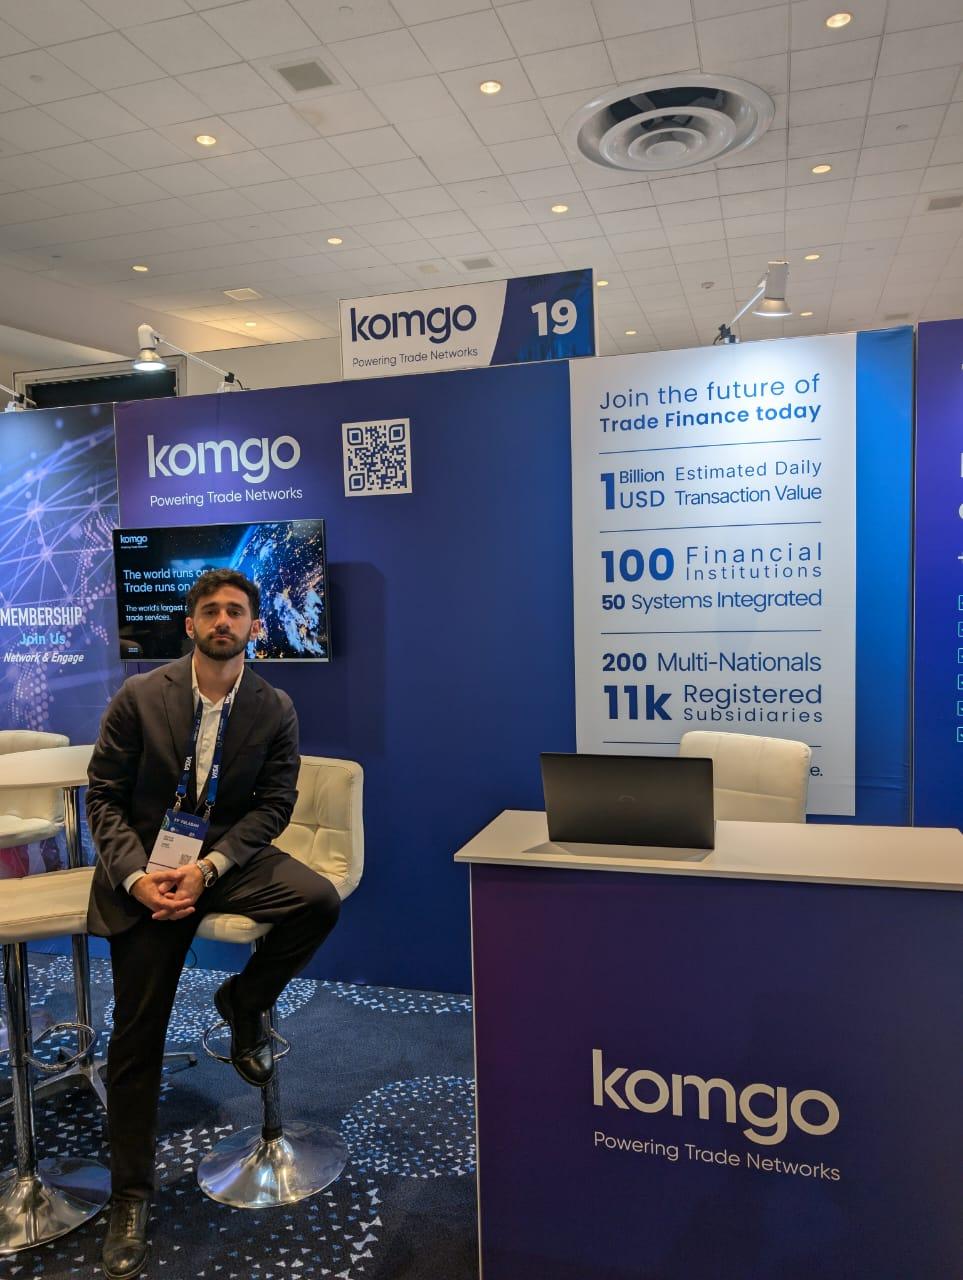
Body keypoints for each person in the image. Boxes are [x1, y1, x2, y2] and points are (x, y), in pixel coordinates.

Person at [86, 568, 341, 1280]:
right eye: (210, 611)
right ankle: (130, 1196)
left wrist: (211, 866)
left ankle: (243, 1001)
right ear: (190, 625)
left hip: (221, 858)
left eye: (235, 611)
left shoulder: (273, 706)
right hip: (146, 867)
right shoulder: (140, 696)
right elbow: (102, 798)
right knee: (136, 1037)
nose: (222, 621)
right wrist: (137, 878)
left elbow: (273, 805)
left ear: (255, 626)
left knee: (316, 901)